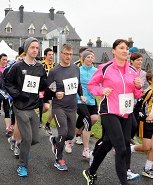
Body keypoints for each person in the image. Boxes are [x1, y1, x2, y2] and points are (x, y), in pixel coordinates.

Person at [82, 39, 142, 185]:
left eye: (126, 48)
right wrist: (101, 90)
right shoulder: (105, 67)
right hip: (109, 111)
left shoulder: (132, 71)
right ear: (113, 51)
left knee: (108, 143)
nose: (125, 51)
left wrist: (138, 87)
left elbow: (137, 95)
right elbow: (91, 85)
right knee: (121, 149)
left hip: (126, 112)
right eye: (121, 48)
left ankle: (90, 171)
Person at [5, 37, 47, 177]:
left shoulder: (40, 66)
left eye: (37, 48)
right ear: (26, 49)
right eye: (32, 47)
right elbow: (8, 83)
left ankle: (22, 146)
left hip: (34, 106)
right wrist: (18, 95)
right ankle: (22, 165)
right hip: (20, 106)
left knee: (34, 139)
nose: (35, 50)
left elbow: (42, 83)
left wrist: (46, 85)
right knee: (28, 138)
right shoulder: (17, 66)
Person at [47, 43, 82, 171]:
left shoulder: (75, 68)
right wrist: (55, 93)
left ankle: (56, 141)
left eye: (70, 54)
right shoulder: (54, 71)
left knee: (71, 135)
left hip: (72, 106)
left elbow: (78, 85)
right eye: (66, 54)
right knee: (63, 132)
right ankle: (59, 158)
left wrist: (81, 95)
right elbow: (47, 89)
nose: (68, 56)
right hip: (58, 106)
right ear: (60, 54)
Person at [131, 69, 153, 179]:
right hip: (145, 123)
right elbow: (137, 108)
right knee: (146, 147)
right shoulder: (147, 92)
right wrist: (145, 117)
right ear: (149, 81)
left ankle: (147, 169)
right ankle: (129, 149)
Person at [75, 51, 98, 158]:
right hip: (80, 100)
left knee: (93, 119)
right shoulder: (78, 70)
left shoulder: (96, 71)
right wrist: (79, 96)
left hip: (91, 100)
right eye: (88, 57)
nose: (90, 59)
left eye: (91, 57)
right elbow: (75, 85)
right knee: (87, 120)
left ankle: (75, 135)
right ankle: (86, 149)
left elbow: (100, 85)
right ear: (83, 59)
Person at [0, 53, 12, 136]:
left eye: (6, 60)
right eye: (3, 60)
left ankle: (8, 128)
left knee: (7, 109)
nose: (5, 61)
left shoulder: (9, 69)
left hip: (5, 92)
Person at [41, 48, 55, 135]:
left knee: (54, 108)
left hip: (52, 90)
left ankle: (48, 124)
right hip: (42, 90)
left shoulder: (55, 66)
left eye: (52, 55)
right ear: (45, 56)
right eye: (49, 55)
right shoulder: (41, 65)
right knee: (45, 108)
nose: (51, 56)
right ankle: (37, 116)